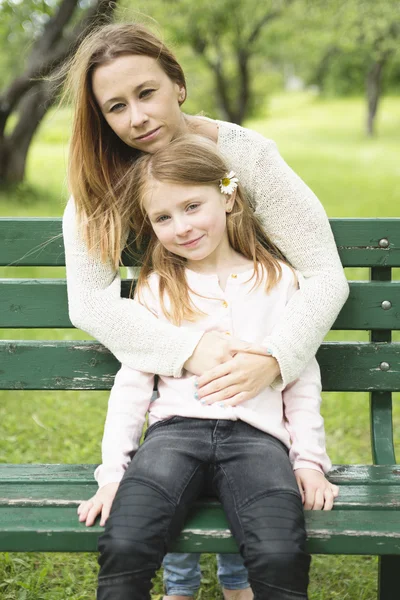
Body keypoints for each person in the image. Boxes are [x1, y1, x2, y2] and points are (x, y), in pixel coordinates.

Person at [61, 22, 347, 599]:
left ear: (178, 85)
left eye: (147, 93)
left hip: (256, 410)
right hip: (177, 410)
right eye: (116, 107)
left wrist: (275, 357)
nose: (137, 117)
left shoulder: (244, 158)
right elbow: (90, 300)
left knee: (274, 544)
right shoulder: (100, 180)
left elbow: (324, 274)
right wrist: (188, 349)